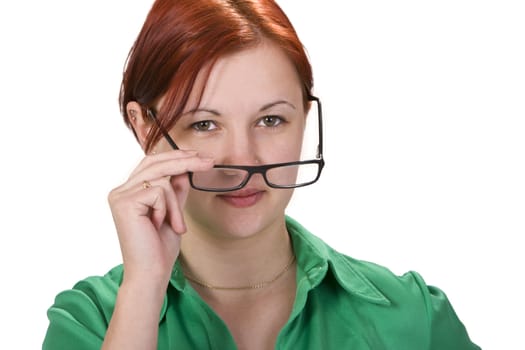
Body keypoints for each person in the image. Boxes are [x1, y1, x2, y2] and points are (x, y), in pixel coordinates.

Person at [43, 0, 481, 349]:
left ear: (305, 118)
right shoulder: (91, 323)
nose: (246, 158)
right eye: (204, 124)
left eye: (271, 120)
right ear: (145, 126)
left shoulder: (410, 316)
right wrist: (144, 288)